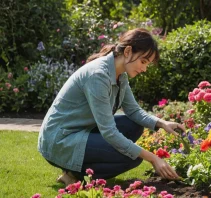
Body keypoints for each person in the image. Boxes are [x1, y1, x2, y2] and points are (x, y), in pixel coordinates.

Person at [37, 28, 185, 186]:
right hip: (60, 141)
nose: (144, 69)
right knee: (132, 158)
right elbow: (109, 131)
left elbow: (134, 111)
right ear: (128, 51)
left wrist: (162, 123)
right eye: (143, 62)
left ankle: (74, 171)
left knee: (134, 125)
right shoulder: (98, 76)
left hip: (81, 131)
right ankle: (75, 174)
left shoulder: (121, 75)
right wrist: (153, 158)